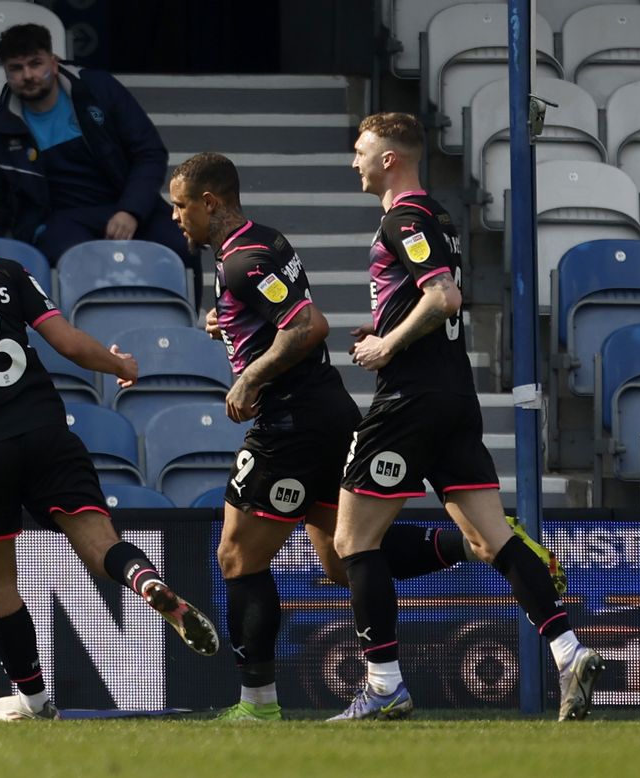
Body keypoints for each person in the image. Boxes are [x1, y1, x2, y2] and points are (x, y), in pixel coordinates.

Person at [169, 152, 565, 721]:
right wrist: (227, 321)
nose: (177, 218)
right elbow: (270, 307)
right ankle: (479, 544)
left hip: (290, 425)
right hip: (326, 414)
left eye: (181, 207)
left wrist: (249, 376)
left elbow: (307, 325)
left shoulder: (244, 259)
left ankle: (257, 705)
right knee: (343, 558)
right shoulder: (261, 242)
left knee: (236, 557)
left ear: (209, 202)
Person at [0, 177, 219, 721]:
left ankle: (33, 700)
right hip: (46, 435)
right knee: (101, 545)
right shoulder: (2, 272)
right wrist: (119, 363)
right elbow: (67, 342)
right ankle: (147, 582)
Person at [332, 112, 603, 721]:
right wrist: (384, 324)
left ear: (390, 159)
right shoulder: (440, 218)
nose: (354, 162)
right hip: (456, 398)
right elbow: (434, 296)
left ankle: (383, 686)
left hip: (410, 401)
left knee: (352, 540)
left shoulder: (402, 219)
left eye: (361, 151)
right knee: (491, 538)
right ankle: (569, 651)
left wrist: (387, 345)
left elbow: (444, 297)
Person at [0, 23, 200, 301]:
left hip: (125, 203)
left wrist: (131, 210)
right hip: (58, 219)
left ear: (53, 63)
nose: (28, 75)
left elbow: (149, 152)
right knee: (76, 261)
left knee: (180, 244)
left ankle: (187, 328)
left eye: (35, 63)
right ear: (7, 73)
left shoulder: (98, 89)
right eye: (16, 68)